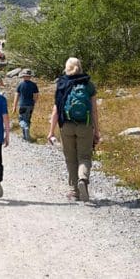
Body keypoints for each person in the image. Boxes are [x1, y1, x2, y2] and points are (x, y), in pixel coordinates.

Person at [47, 57, 100, 202]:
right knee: (84, 157)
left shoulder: (62, 83)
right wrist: (97, 130)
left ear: (67, 68)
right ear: (80, 67)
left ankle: (74, 191)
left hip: (67, 126)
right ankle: (83, 179)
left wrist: (51, 131)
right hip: (85, 125)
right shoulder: (88, 85)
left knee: (70, 159)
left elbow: (56, 110)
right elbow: (94, 110)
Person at [12, 69, 39, 142]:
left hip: (22, 104)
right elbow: (36, 95)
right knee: (28, 119)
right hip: (30, 105)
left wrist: (14, 106)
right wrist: (34, 102)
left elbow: (17, 95)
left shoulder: (20, 85)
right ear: (30, 76)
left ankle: (25, 129)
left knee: (21, 119)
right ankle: (26, 136)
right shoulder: (34, 85)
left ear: (23, 76)